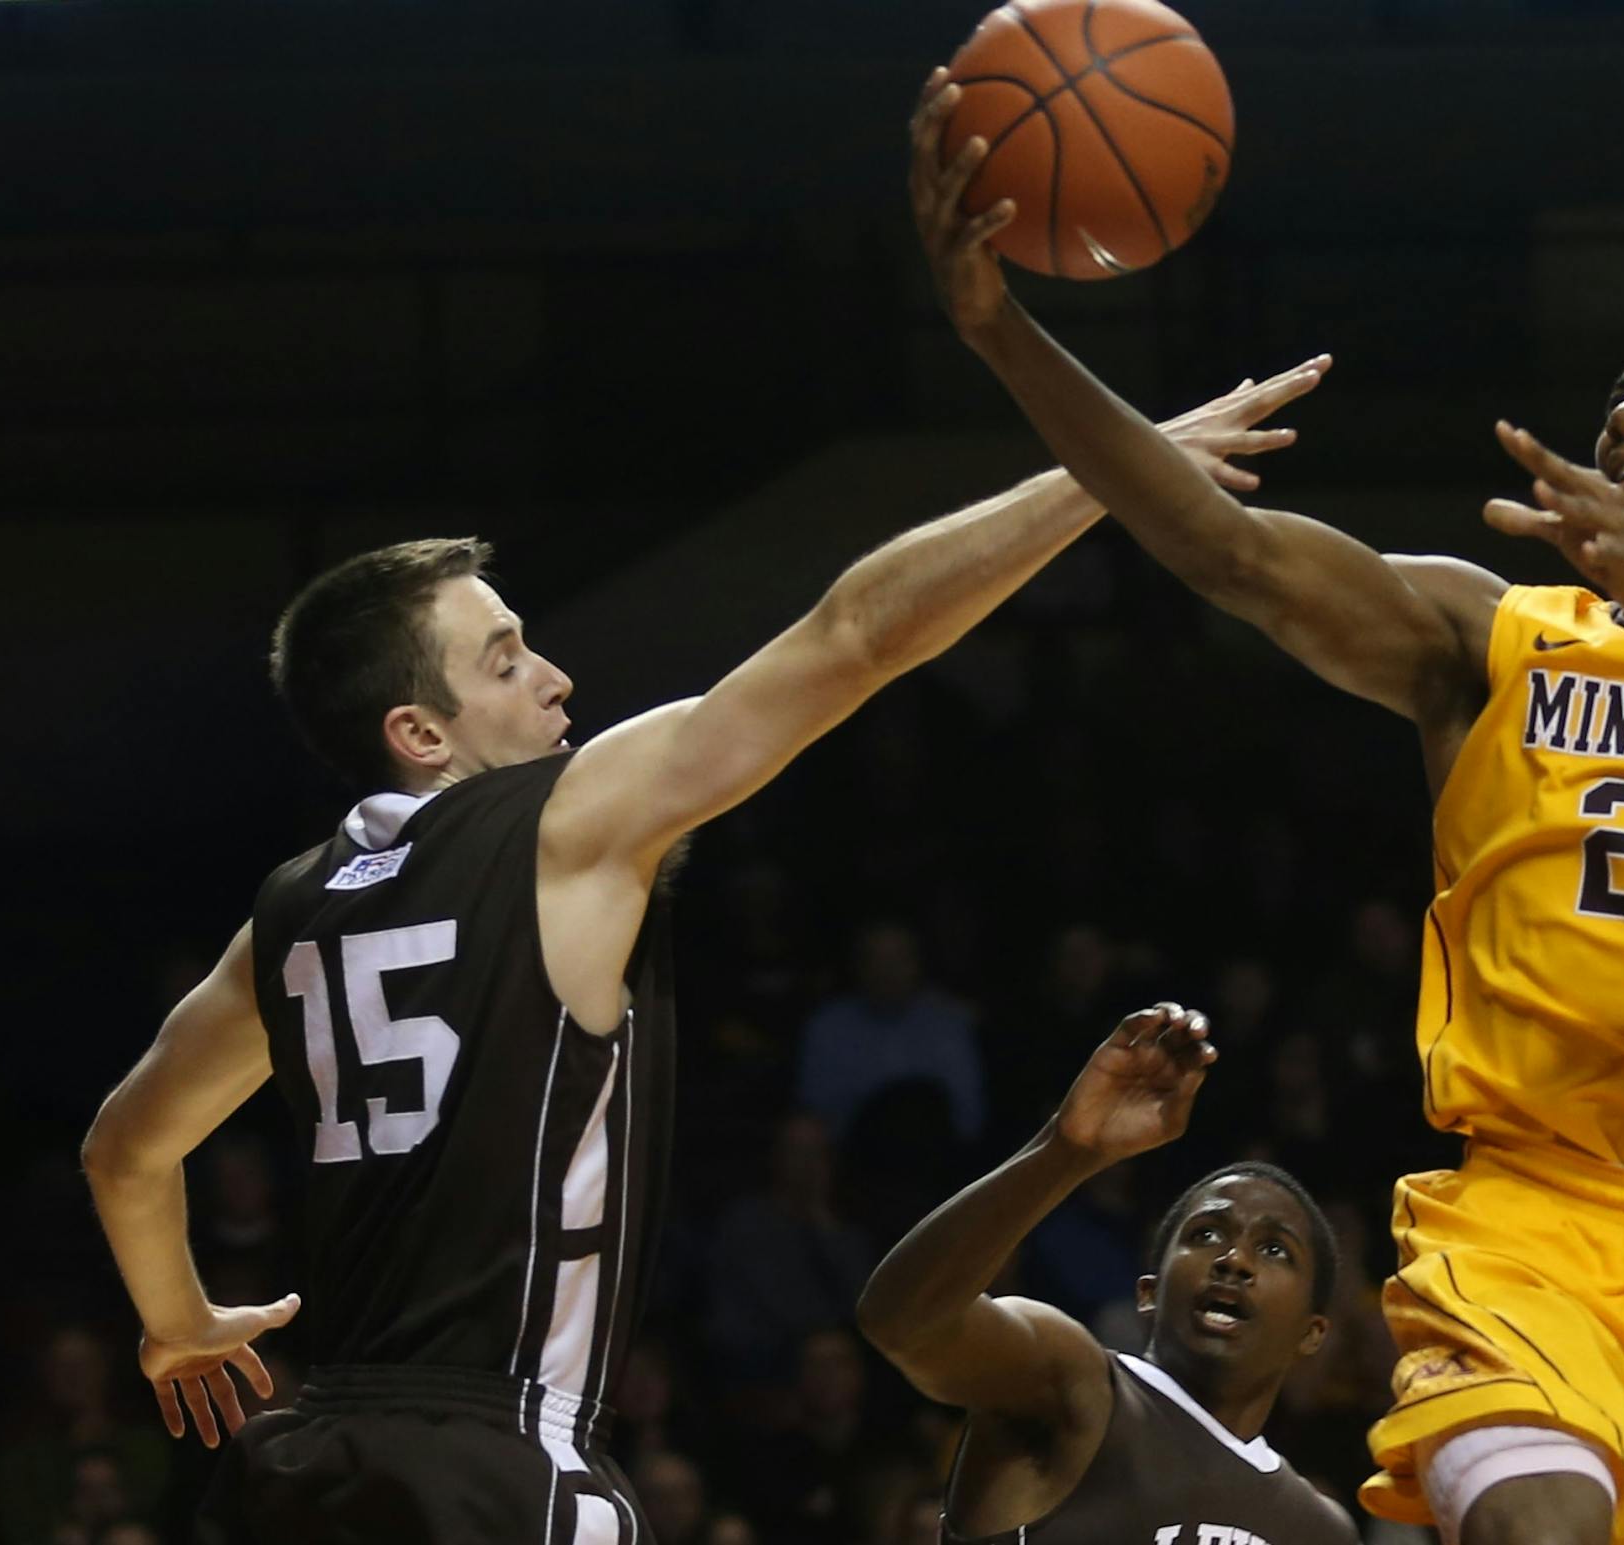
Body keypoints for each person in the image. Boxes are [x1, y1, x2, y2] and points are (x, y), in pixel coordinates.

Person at [908, 65, 1624, 1545]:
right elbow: (1227, 551)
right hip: (1531, 1226)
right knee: (1539, 1528)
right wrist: (1000, 331)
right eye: (1621, 393)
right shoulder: (1491, 637)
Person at [75, 296, 1323, 1541]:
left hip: (307, 1470)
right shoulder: (562, 823)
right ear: (420, 733)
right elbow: (856, 634)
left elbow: (124, 1151)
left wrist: (180, 1324)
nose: (555, 677)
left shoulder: (287, 918)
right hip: (496, 1467)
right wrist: (1111, 471)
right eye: (505, 661)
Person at [857, 1003, 1360, 1545]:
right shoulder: (1074, 1383)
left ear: (1312, 1333)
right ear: (1148, 1293)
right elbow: (903, 1322)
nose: (1234, 1260)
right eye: (1205, 1235)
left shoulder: (1320, 1530)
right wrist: (1067, 1151)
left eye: (1274, 1250)